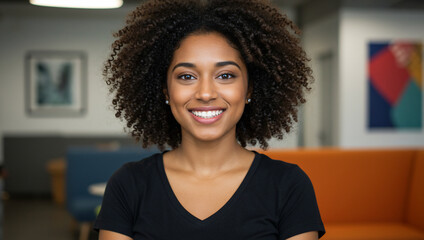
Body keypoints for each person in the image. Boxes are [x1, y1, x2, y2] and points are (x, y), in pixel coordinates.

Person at [94, 0, 325, 239]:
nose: (205, 93)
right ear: (165, 90)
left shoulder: (288, 185)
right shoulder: (129, 185)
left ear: (249, 90)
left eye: (225, 75)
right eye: (186, 76)